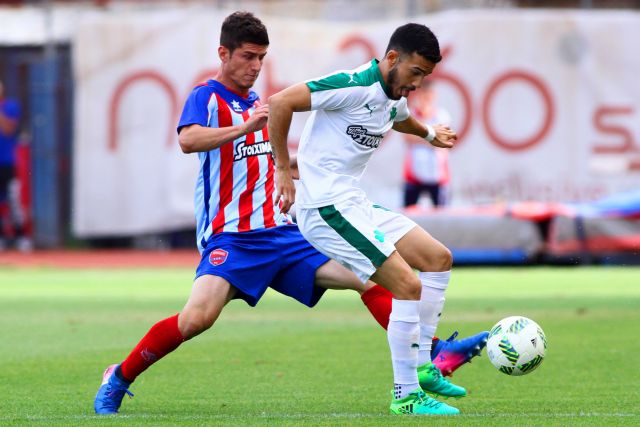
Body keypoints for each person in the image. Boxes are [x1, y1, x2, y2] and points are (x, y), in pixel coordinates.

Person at [94, 12, 486, 415]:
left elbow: (264, 159)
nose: (255, 66)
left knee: (370, 279)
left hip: (284, 234)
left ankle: (430, 353)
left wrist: (295, 166)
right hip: (234, 237)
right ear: (223, 54)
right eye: (248, 56)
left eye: (261, 58)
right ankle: (119, 376)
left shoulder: (256, 104)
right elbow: (188, 140)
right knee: (196, 319)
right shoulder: (207, 97)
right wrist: (244, 130)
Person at [269, 23, 465, 415]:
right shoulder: (352, 84)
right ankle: (406, 395)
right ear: (392, 58)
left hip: (353, 203)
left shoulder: (393, 94)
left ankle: (424, 367)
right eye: (415, 72)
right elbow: (279, 103)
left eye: (425, 76)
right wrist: (281, 170)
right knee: (407, 285)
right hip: (325, 208)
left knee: (438, 258)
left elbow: (399, 117)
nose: (417, 84)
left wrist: (429, 134)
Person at [403, 80, 451, 207]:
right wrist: (431, 137)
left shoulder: (442, 115)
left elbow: (442, 140)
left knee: (442, 214)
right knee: (408, 213)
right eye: (424, 94)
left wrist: (419, 134)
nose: (426, 98)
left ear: (434, 95)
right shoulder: (412, 114)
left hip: (438, 175)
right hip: (414, 175)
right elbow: (407, 137)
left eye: (429, 94)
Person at [0, 80, 29, 251]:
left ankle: (21, 236)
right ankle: (2, 237)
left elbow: (8, 129)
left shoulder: (10, 106)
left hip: (6, 162)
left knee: (13, 199)